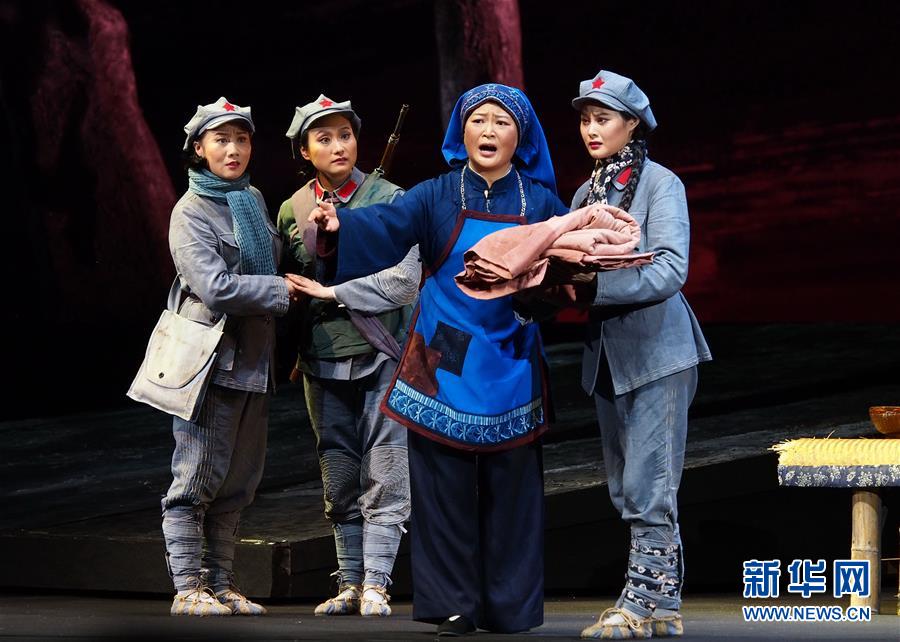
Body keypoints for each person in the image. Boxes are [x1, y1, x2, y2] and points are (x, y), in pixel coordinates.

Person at [308, 83, 568, 636]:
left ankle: (510, 608)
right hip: (443, 353)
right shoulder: (436, 194)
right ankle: (453, 604)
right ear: (461, 132)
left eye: (501, 122)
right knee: (442, 490)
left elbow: (565, 273)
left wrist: (555, 288)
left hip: (510, 355)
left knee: (512, 493)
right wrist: (340, 225)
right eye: (478, 121)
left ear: (521, 136)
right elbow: (385, 226)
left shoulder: (543, 204)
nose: (489, 131)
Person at [568, 71, 712, 639]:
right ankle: (665, 603)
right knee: (625, 486)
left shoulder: (659, 183)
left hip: (659, 352)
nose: (591, 129)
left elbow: (671, 268)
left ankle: (638, 601)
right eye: (585, 119)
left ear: (632, 124)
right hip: (608, 358)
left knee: (651, 484)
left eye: (603, 118)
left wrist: (594, 286)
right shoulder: (585, 196)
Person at [276, 95, 420, 617]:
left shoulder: (390, 197)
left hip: (382, 350)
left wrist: (337, 288)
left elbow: (406, 280)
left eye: (346, 135)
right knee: (337, 467)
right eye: (324, 138)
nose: (338, 146)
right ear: (304, 151)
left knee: (386, 464)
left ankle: (378, 582)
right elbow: (290, 280)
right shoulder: (292, 208)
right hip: (322, 356)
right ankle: (350, 581)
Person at [162, 97, 303, 616]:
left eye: (241, 139)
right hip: (211, 363)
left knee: (239, 482)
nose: (234, 149)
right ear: (199, 148)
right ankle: (187, 587)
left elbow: (268, 262)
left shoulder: (250, 199)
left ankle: (220, 583)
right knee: (197, 475)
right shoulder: (190, 212)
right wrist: (280, 290)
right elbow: (216, 288)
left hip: (254, 362)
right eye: (221, 140)